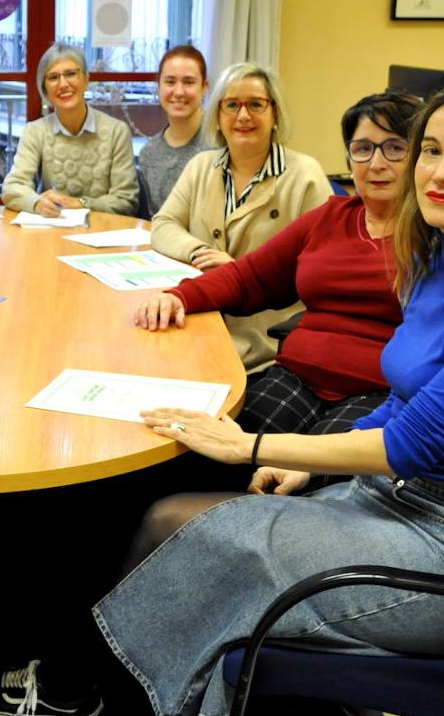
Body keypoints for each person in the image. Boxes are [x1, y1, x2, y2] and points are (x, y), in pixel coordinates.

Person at [0, 76, 444, 716]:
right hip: (404, 503)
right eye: (430, 150)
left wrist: (250, 445)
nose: (438, 172)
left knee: (194, 531)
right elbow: (403, 400)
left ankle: (100, 695)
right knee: (177, 517)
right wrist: (305, 459)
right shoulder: (443, 257)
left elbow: (414, 442)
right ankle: (120, 691)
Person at [127, 92, 422, 545]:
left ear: (420, 153)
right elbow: (249, 278)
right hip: (297, 375)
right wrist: (181, 296)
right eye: (363, 148)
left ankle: (230, 573)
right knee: (196, 456)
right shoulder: (331, 218)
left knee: (288, 489)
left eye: (394, 147)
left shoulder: (437, 237)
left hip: (378, 393)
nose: (376, 162)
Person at [150, 62, 333, 373]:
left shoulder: (305, 175)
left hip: (265, 337)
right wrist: (199, 252)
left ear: (275, 114)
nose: (243, 116)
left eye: (255, 105)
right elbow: (163, 225)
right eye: (232, 105)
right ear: (218, 117)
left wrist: (241, 274)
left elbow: (323, 268)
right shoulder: (201, 166)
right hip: (197, 314)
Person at [1, 43, 138, 217]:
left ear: (86, 80)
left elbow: (126, 201)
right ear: (45, 90)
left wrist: (80, 203)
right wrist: (37, 203)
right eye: (53, 77)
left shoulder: (116, 131)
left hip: (105, 233)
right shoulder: (35, 131)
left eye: (71, 74)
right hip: (52, 233)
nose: (63, 84)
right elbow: (12, 188)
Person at [137, 45, 211, 219]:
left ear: (204, 87)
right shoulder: (149, 153)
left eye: (189, 82)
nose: (178, 92)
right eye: (170, 82)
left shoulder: (223, 141)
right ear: (158, 87)